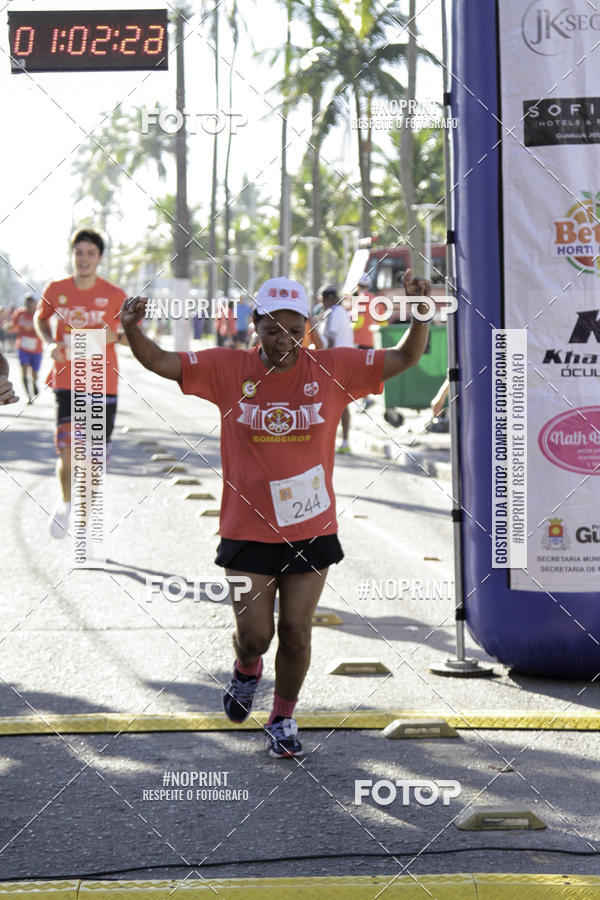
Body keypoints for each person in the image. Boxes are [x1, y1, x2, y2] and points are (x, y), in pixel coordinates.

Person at [121, 272, 431, 759]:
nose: (282, 340)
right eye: (271, 329)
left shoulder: (332, 368)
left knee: (295, 631)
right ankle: (246, 670)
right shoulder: (228, 368)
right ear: (255, 327)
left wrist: (420, 311)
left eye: (292, 329)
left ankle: (283, 717)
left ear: (306, 328)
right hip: (246, 529)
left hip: (310, 526)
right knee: (255, 636)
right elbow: (162, 361)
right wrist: (133, 330)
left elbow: (407, 357)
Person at [34, 229, 128, 539]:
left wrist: (119, 336)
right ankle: (65, 502)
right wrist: (49, 342)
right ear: (72, 255)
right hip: (67, 381)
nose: (84, 258)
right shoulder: (57, 288)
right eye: (79, 252)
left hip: (103, 386)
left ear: (99, 258)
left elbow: (132, 334)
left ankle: (85, 525)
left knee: (92, 462)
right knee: (67, 452)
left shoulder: (115, 295)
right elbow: (41, 317)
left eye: (90, 253)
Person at [316, 284, 355, 453]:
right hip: (346, 361)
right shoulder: (342, 313)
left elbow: (329, 343)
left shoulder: (332, 313)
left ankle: (329, 441)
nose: (322, 303)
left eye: (322, 300)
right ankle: (344, 442)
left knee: (329, 402)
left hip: (335, 362)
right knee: (341, 402)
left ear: (328, 299)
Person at [8, 295, 43, 403]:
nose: (29, 304)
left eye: (31, 302)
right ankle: (29, 396)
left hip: (36, 349)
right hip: (23, 348)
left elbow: (45, 330)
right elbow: (13, 327)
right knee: (24, 369)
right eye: (27, 302)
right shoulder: (19, 313)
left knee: (34, 373)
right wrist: (9, 327)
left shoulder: (39, 314)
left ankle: (34, 383)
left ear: (35, 303)